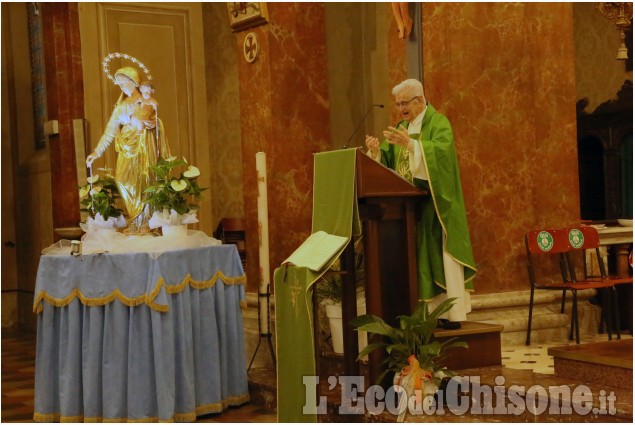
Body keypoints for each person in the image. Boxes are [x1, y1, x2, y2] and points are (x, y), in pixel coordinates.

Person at [365, 78, 476, 328]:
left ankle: (451, 314)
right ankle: (426, 315)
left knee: (440, 258)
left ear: (420, 100)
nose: (401, 109)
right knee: (420, 263)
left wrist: (414, 145)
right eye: (398, 104)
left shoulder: (438, 123)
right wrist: (376, 152)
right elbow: (390, 162)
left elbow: (443, 154)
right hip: (410, 211)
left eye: (405, 103)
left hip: (436, 208)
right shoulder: (401, 127)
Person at [86, 66, 171, 233]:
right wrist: (96, 152)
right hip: (127, 149)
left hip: (145, 148)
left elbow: (157, 122)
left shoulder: (146, 102)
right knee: (122, 180)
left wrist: (154, 125)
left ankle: (145, 223)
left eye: (125, 83)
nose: (123, 87)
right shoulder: (121, 107)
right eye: (120, 84)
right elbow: (109, 132)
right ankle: (134, 220)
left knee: (145, 180)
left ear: (135, 82)